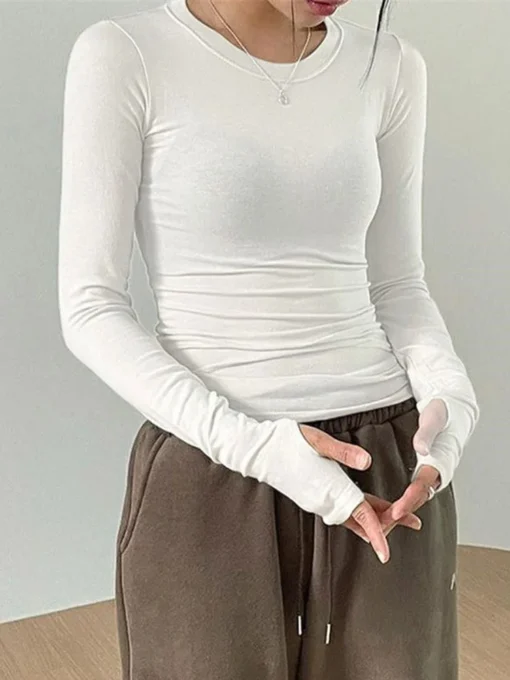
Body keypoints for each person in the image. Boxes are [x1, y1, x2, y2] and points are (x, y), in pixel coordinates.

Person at [57, 0, 480, 678]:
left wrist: (448, 390)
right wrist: (255, 446)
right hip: (215, 464)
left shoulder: (390, 66)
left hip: (385, 468)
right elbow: (90, 305)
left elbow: (399, 282)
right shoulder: (126, 55)